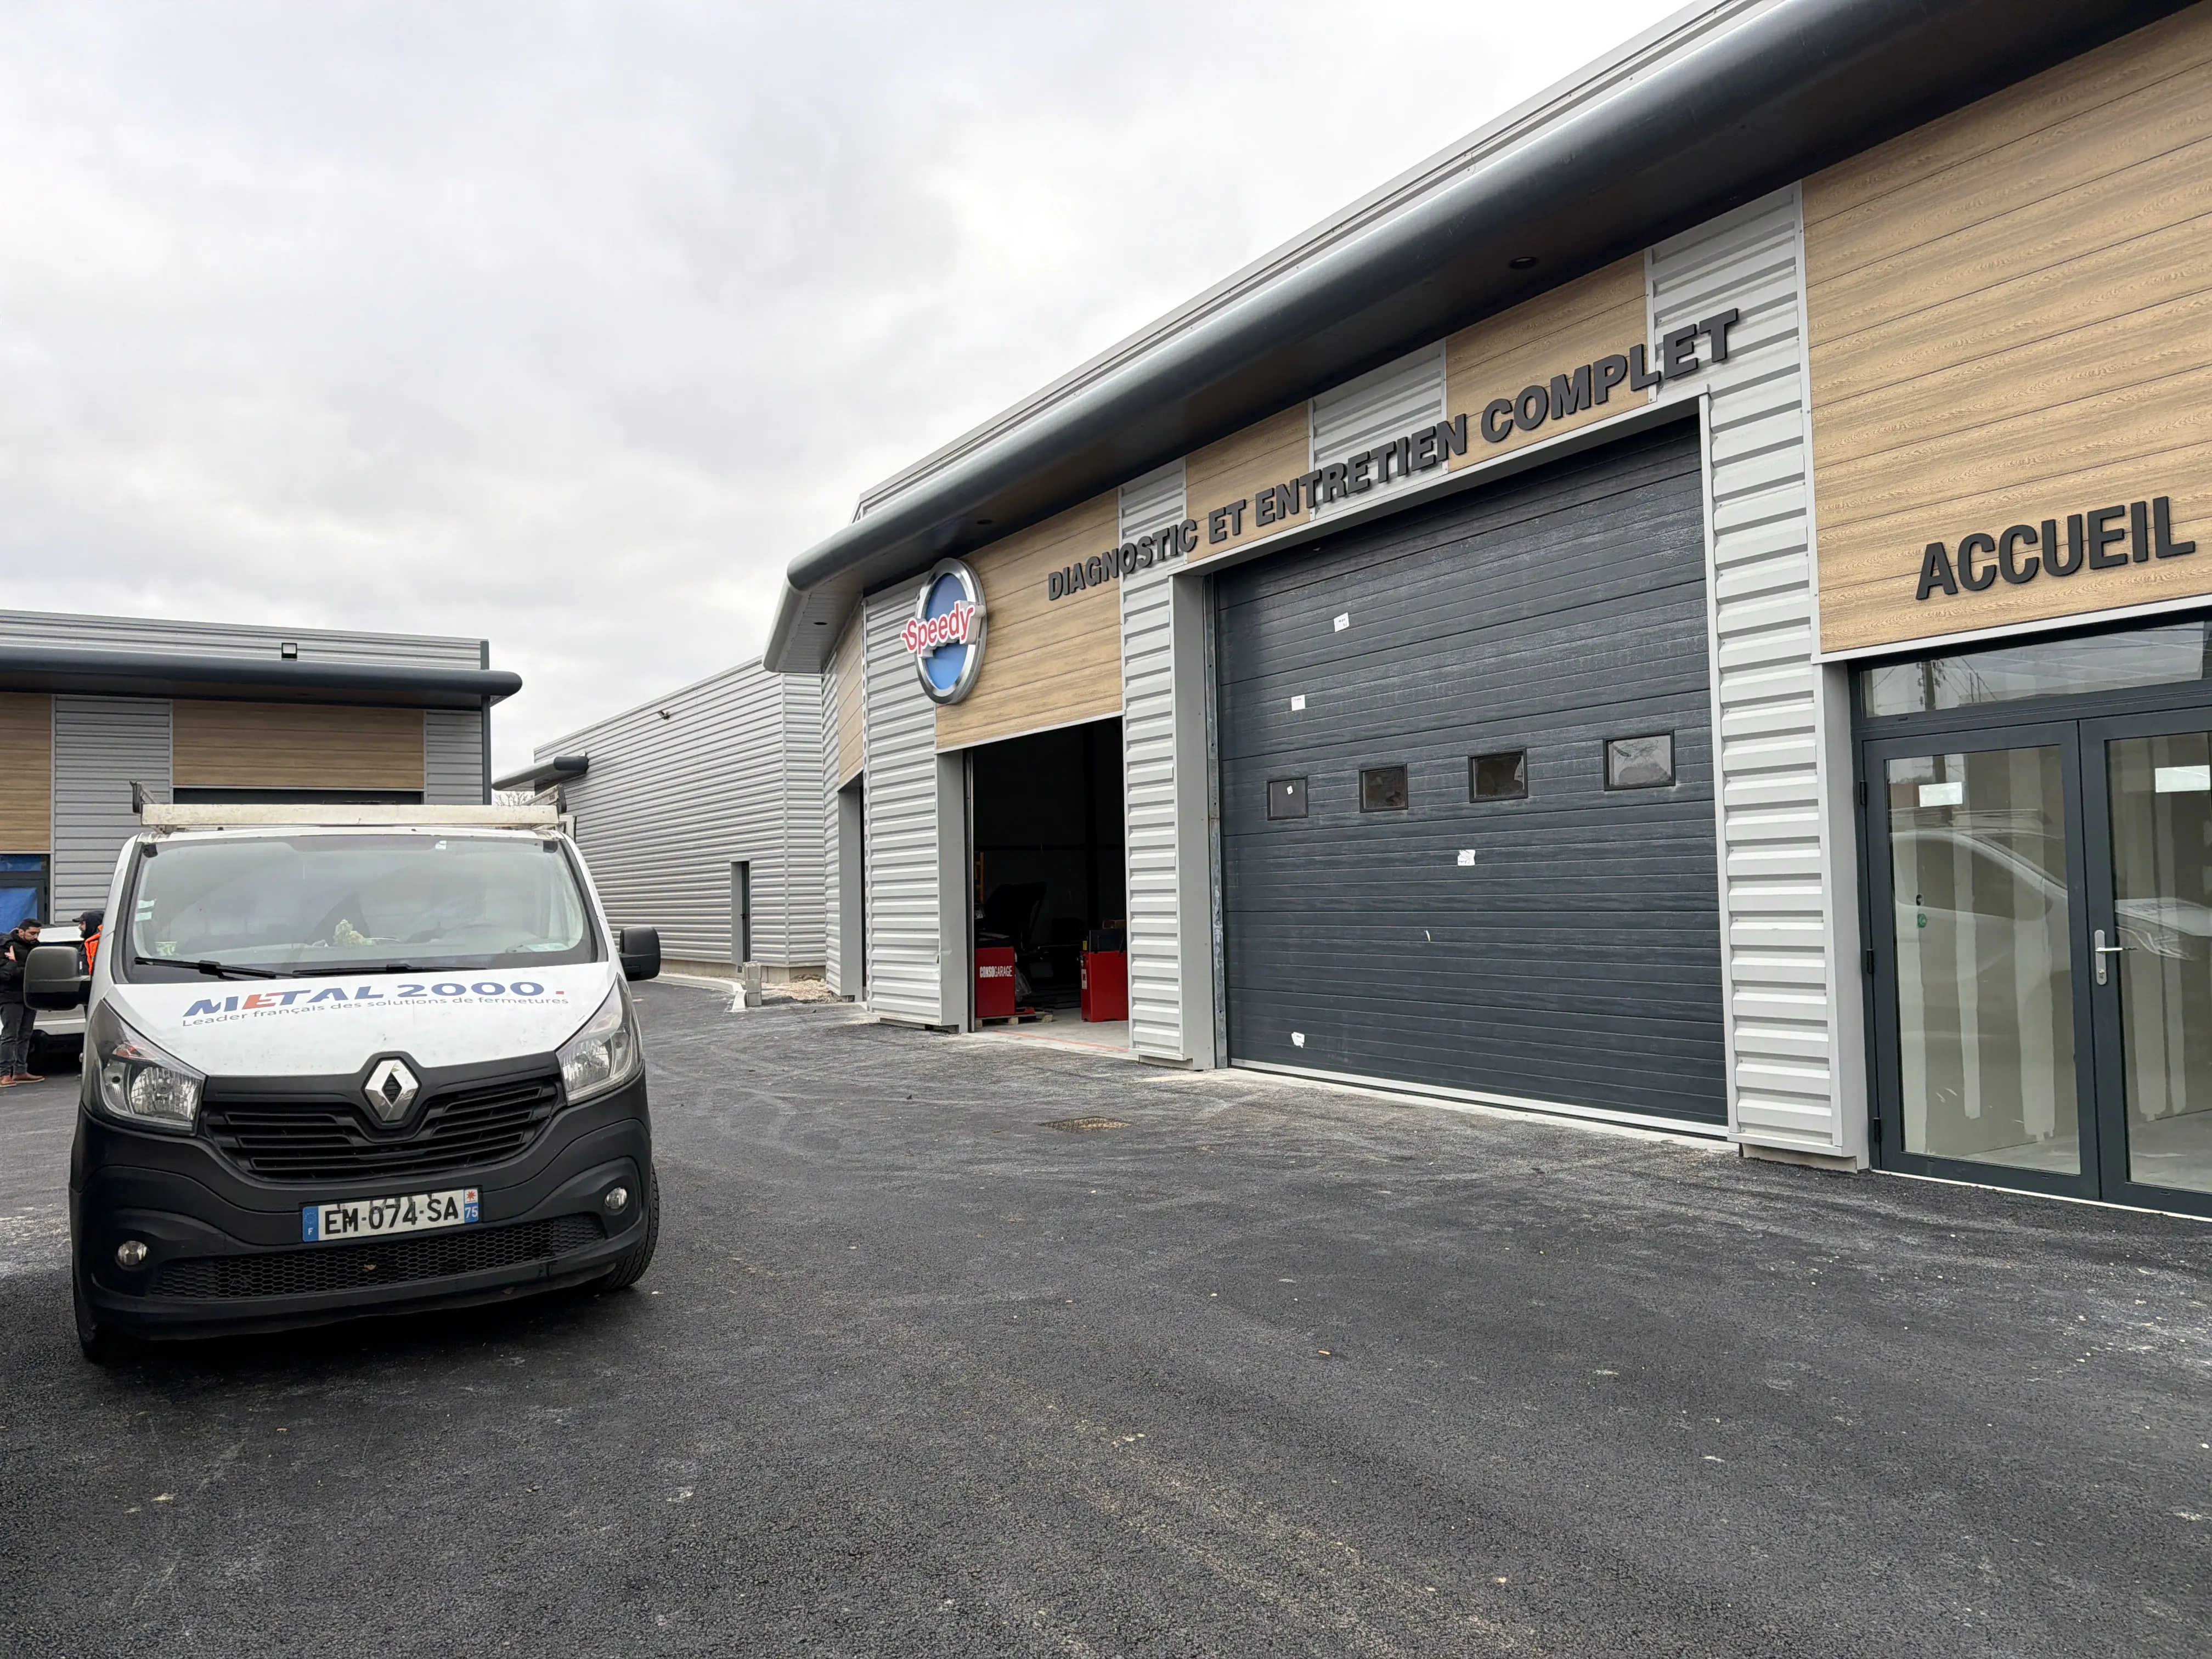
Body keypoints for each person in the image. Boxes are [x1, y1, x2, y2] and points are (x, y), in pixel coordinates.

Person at [0, 918, 44, 1086]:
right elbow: (5, 974)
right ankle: (4, 1074)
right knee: (10, 1035)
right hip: (10, 998)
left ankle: (20, 1071)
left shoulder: (36, 948)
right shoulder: (6, 946)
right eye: (32, 933)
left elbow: (39, 971)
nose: (35, 936)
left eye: (38, 933)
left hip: (28, 997)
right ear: (21, 932)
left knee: (25, 1035)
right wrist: (15, 965)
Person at [76, 910, 103, 974]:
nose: (79, 927)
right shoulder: (87, 944)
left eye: (82, 923)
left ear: (92, 924)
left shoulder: (100, 944)